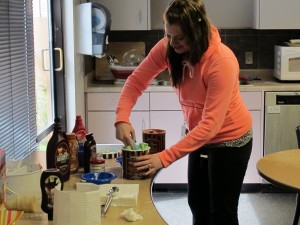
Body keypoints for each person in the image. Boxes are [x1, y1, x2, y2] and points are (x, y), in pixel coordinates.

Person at [114, 0, 253, 224]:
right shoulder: (168, 48)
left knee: (222, 212)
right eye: (169, 35)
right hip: (199, 137)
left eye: (180, 38)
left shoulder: (222, 61)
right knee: (197, 204)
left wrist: (164, 158)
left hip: (231, 140)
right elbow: (136, 80)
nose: (172, 43)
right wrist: (121, 117)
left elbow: (210, 126)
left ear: (197, 31)